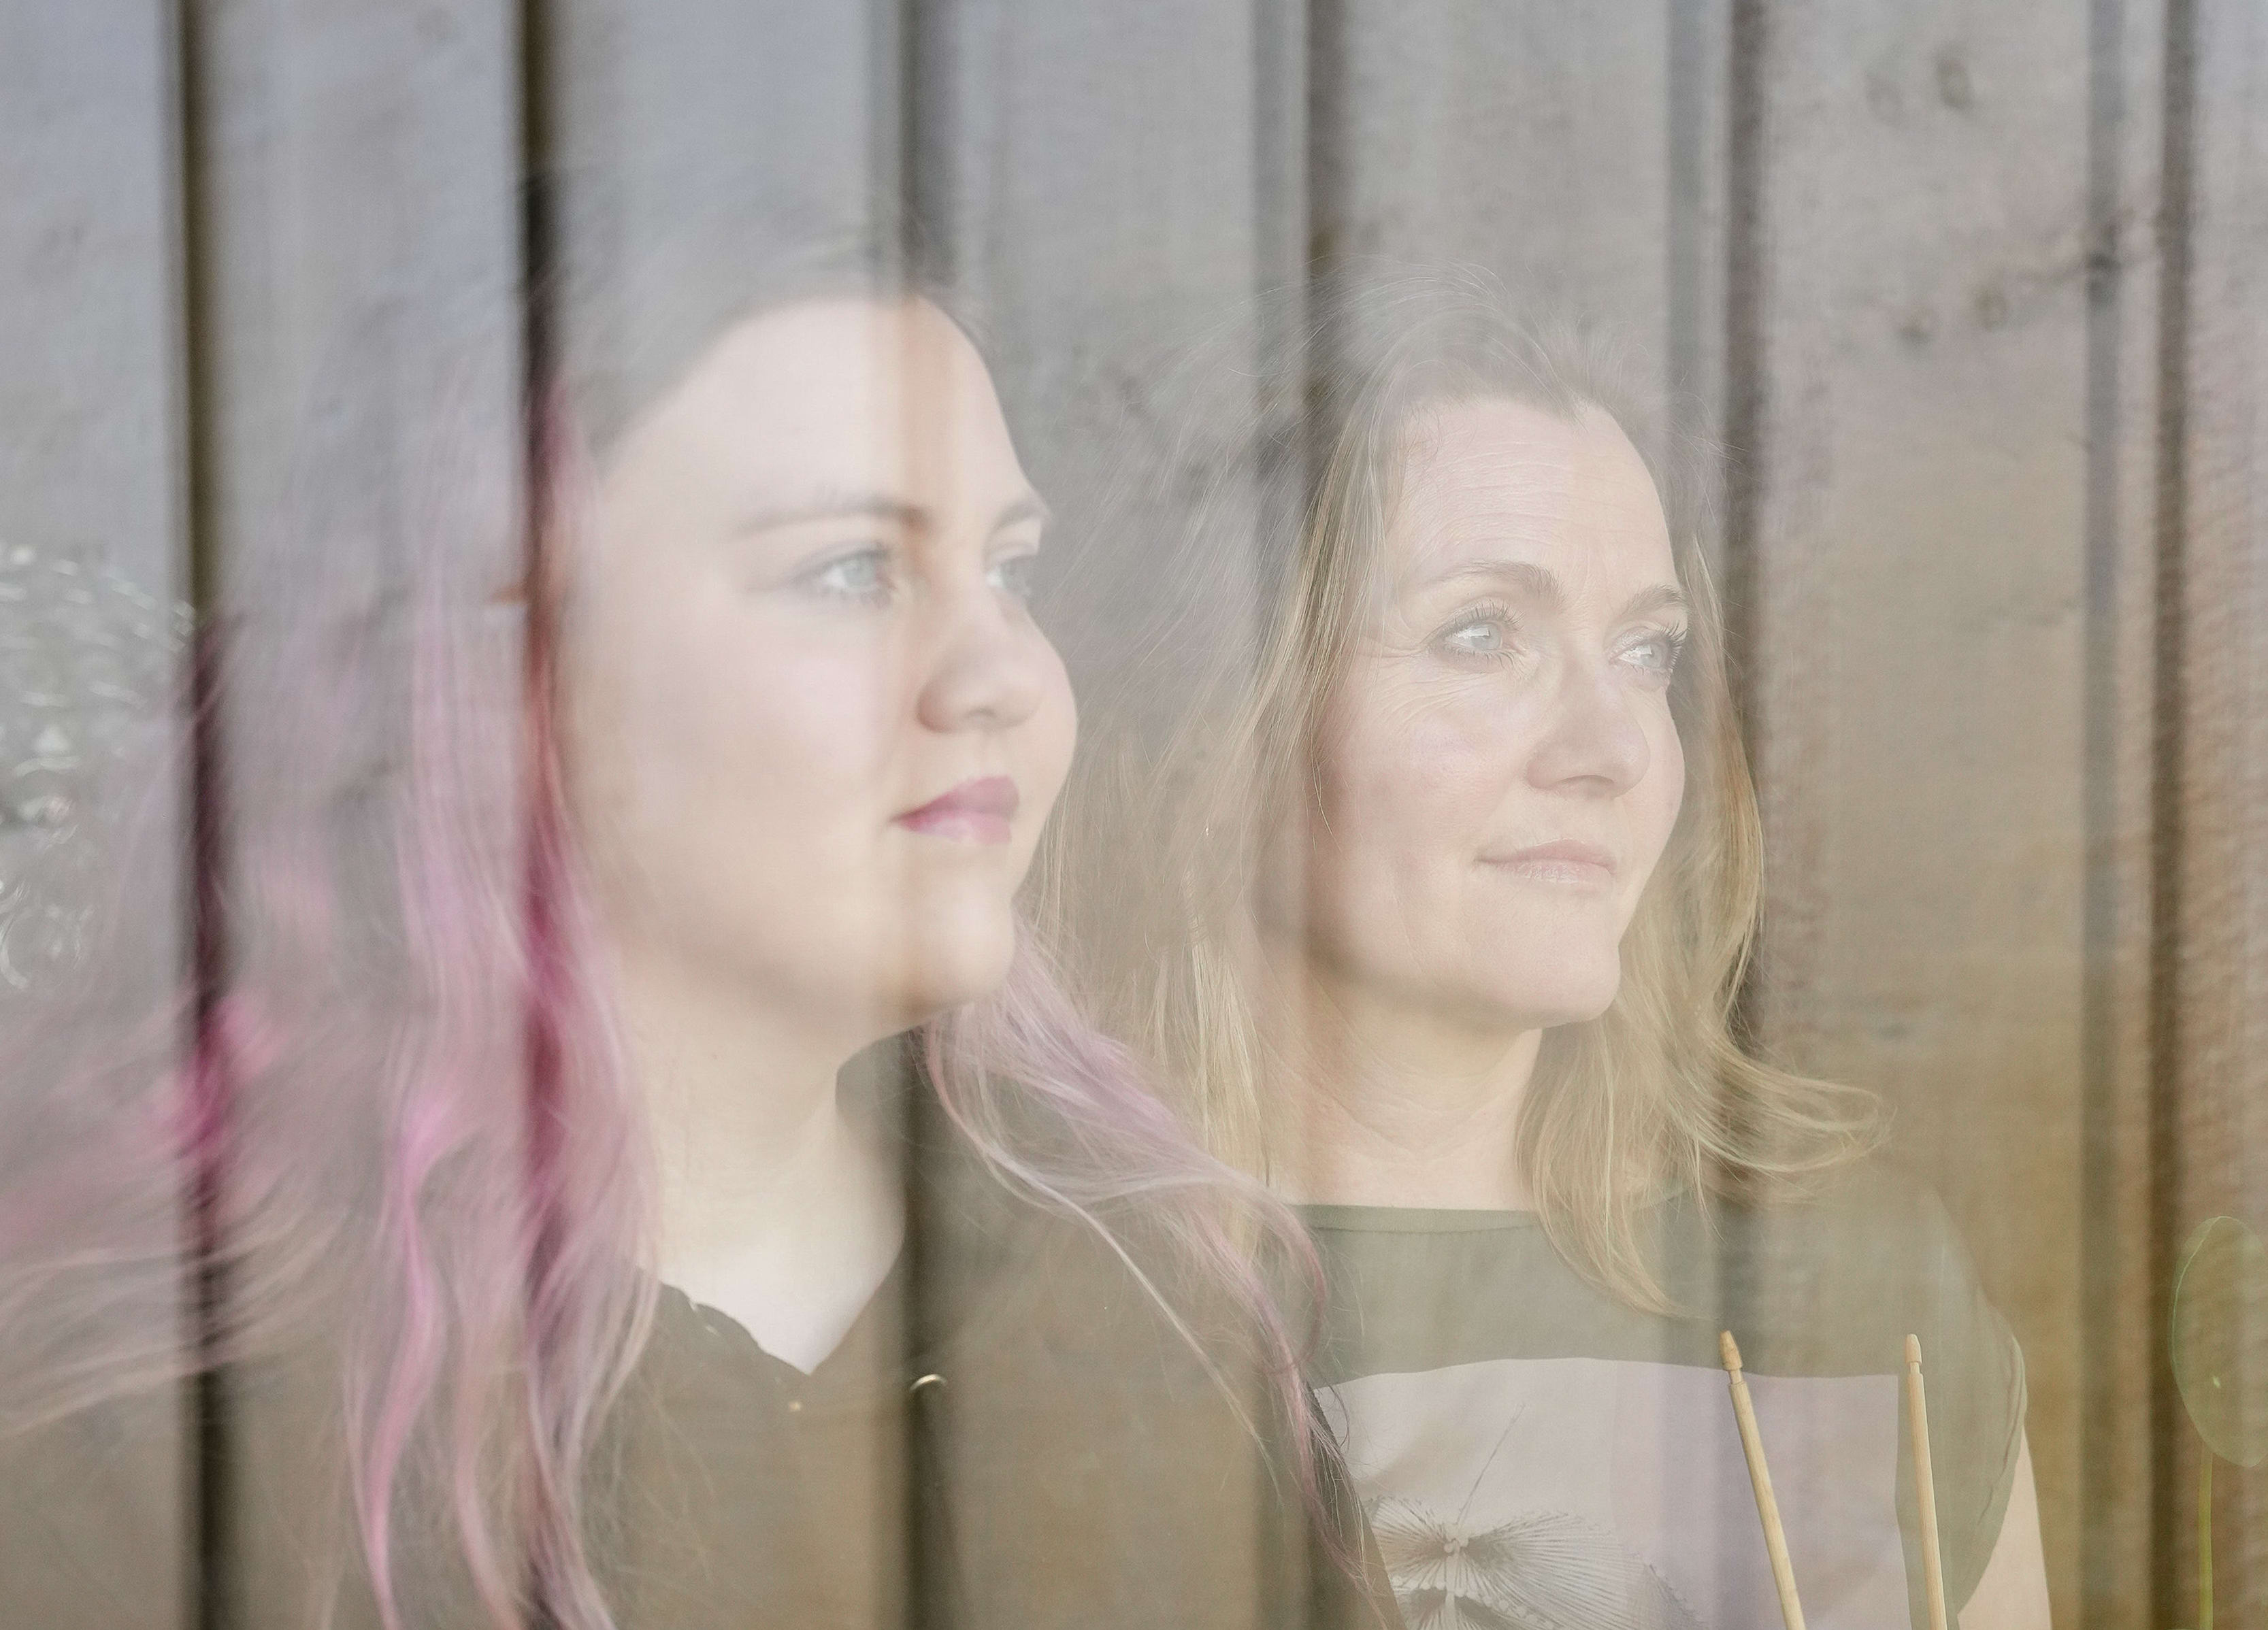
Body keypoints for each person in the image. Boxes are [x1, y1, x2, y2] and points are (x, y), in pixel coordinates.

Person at [0, 238, 1392, 1629]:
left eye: (1010, 570)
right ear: (499, 676)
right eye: (853, 571)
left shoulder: (1153, 1296)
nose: (1003, 676)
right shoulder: (157, 1450)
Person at [1054, 267, 2052, 1630]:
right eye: (1481, 634)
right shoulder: (1036, 1309)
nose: (1613, 747)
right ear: (1225, 719)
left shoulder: (1861, 1286)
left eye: (1646, 651)